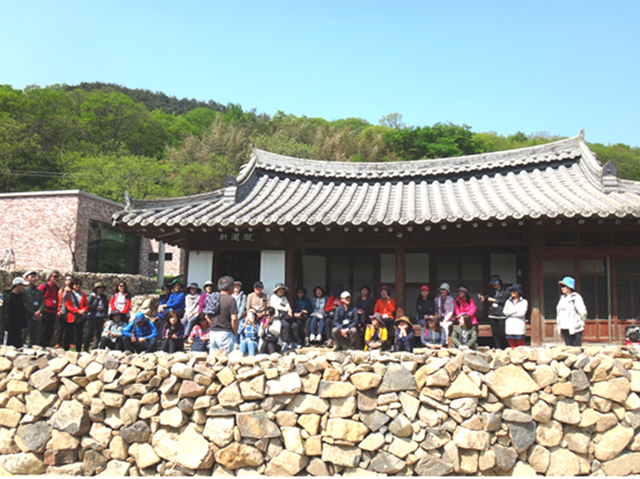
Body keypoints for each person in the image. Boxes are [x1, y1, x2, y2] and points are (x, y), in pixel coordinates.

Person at [209, 275, 239, 353]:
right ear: (230, 287)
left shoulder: (212, 298)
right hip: (226, 333)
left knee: (213, 358)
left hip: (213, 333)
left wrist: (212, 324)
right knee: (225, 358)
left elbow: (206, 316)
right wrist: (234, 331)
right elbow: (234, 318)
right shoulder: (231, 300)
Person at [479, 275, 509, 349]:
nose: (494, 285)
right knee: (495, 332)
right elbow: (486, 296)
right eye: (493, 284)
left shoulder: (505, 290)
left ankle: (508, 346)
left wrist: (494, 300)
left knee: (504, 331)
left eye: (495, 283)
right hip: (492, 313)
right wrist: (483, 298)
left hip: (501, 314)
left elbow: (504, 301)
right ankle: (497, 347)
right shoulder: (492, 291)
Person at [556, 276, 587, 347]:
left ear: (569, 287)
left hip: (575, 328)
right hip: (564, 327)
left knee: (576, 348)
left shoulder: (576, 298)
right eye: (561, 286)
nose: (562, 288)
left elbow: (583, 312)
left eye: (563, 286)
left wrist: (580, 322)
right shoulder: (562, 298)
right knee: (568, 348)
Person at [62, 278, 88, 351]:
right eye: (76, 284)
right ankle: (66, 349)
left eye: (79, 284)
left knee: (79, 333)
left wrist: (83, 310)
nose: (78, 286)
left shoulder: (82, 294)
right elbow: (67, 305)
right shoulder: (68, 294)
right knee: (68, 333)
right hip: (71, 316)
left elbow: (86, 304)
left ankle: (78, 349)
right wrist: (77, 311)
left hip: (80, 316)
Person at [3, 277, 28, 348]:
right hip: (10, 326)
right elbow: (6, 311)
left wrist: (23, 323)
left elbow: (22, 310)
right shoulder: (9, 296)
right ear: (17, 285)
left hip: (18, 325)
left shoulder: (20, 296)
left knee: (18, 345)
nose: (24, 287)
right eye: (23, 285)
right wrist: (7, 325)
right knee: (8, 345)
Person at [38, 270, 60, 347]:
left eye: (57, 277)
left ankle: (46, 345)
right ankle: (40, 345)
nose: (56, 278)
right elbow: (38, 296)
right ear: (49, 277)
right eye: (54, 276)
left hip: (52, 312)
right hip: (45, 311)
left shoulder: (56, 288)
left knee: (49, 330)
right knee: (42, 330)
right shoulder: (44, 286)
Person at [22, 270, 44, 347]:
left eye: (35, 277)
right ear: (25, 278)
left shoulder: (38, 291)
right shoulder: (23, 290)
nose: (34, 279)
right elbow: (23, 303)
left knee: (35, 335)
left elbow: (42, 302)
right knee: (24, 334)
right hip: (27, 316)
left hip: (37, 316)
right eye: (31, 277)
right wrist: (32, 313)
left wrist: (39, 311)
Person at [271, 283, 296, 350]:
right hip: (277, 317)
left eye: (282, 289)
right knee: (286, 325)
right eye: (279, 289)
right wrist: (287, 309)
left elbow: (288, 305)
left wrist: (289, 310)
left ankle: (294, 342)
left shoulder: (284, 297)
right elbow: (276, 306)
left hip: (285, 316)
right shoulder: (273, 297)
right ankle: (284, 342)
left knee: (294, 325)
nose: (281, 291)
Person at [84, 282, 108, 352]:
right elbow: (87, 306)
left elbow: (106, 307)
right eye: (99, 288)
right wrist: (96, 308)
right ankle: (86, 347)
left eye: (102, 288)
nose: (101, 290)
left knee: (98, 332)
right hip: (93, 316)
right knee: (91, 332)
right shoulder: (92, 296)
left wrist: (105, 315)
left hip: (100, 316)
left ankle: (95, 347)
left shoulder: (103, 297)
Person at [503, 284, 528, 348]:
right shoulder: (508, 301)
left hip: (519, 325)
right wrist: (516, 310)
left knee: (520, 347)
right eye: (511, 291)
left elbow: (522, 313)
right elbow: (505, 312)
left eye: (514, 291)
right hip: (510, 326)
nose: (512, 292)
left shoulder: (524, 301)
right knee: (512, 346)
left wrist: (510, 312)